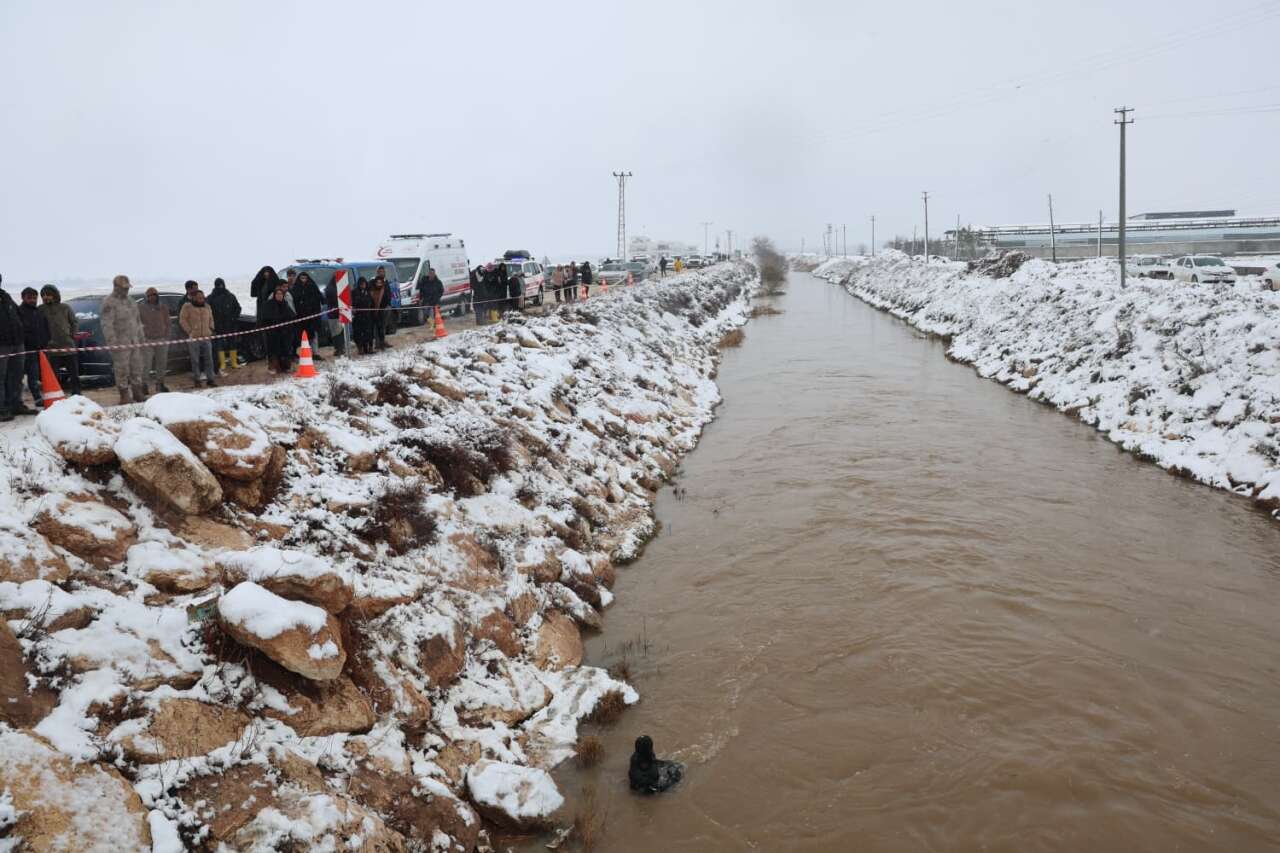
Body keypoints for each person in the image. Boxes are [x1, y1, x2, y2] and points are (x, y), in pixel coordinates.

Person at [100, 274, 147, 404]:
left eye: (127, 288)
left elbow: (137, 321)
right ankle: (124, 395)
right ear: (116, 287)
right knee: (122, 370)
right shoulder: (109, 302)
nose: (126, 290)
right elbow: (107, 325)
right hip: (120, 343)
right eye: (124, 288)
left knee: (136, 367)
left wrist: (141, 337)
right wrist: (112, 343)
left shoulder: (130, 301)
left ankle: (137, 392)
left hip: (134, 341)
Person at [39, 285, 80, 397]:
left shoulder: (65, 307)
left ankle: (77, 393)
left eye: (48, 294)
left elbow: (74, 322)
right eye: (43, 295)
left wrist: (72, 334)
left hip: (68, 345)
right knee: (53, 375)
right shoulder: (41, 309)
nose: (46, 297)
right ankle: (56, 395)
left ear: (55, 295)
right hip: (51, 347)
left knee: (74, 373)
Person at [17, 288, 50, 409]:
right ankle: (36, 398)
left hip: (41, 349)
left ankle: (40, 397)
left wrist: (46, 342)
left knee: (37, 375)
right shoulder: (19, 312)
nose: (33, 300)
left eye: (35, 297)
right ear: (23, 298)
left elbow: (46, 328)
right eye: (29, 298)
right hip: (27, 350)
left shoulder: (39, 312)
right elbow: (21, 332)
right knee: (30, 376)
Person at [0, 276, 26, 421]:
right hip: (1, 345)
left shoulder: (5, 296)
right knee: (1, 377)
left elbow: (19, 314)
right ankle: (1, 408)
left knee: (17, 375)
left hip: (17, 342)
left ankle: (15, 404)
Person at [179, 289, 216, 388]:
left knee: (209, 359)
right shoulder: (187, 307)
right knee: (195, 360)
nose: (201, 299)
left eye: (202, 298)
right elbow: (182, 320)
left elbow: (211, 318)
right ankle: (197, 379)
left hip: (206, 336)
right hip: (194, 338)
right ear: (194, 298)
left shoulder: (207, 306)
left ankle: (210, 379)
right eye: (199, 298)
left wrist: (211, 328)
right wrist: (190, 331)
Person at [138, 287, 172, 394]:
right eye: (150, 296)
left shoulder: (163, 307)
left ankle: (160, 384)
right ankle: (143, 385)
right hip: (147, 340)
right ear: (147, 297)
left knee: (161, 363)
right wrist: (141, 337)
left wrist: (166, 336)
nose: (152, 297)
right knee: (146, 364)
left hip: (161, 339)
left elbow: (168, 322)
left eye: (154, 295)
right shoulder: (141, 308)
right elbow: (137, 323)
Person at [208, 277, 243, 372]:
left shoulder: (230, 296)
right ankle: (222, 364)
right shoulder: (211, 298)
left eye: (221, 284)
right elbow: (207, 312)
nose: (220, 286)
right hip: (218, 326)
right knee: (219, 345)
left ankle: (234, 362)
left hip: (230, 325)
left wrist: (234, 318)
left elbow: (238, 308)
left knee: (233, 343)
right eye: (218, 285)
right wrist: (212, 322)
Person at [260, 285, 297, 372]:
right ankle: (273, 367)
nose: (279, 295)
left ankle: (286, 367)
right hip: (272, 333)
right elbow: (264, 319)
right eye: (277, 294)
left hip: (284, 333)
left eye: (281, 294)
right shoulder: (268, 305)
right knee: (273, 351)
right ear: (274, 295)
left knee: (285, 349)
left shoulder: (285, 304)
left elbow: (291, 317)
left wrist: (288, 328)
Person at [292, 271, 324, 361]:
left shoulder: (312, 286)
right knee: (303, 336)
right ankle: (305, 353)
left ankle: (315, 353)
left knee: (313, 335)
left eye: (305, 278)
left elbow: (319, 298)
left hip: (312, 316)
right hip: (301, 317)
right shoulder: (296, 288)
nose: (303, 280)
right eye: (302, 278)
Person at [250, 265, 281, 355]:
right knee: (264, 332)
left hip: (272, 310)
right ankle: (267, 352)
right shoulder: (261, 282)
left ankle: (274, 352)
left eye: (268, 272)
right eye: (265, 272)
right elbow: (253, 292)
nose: (266, 274)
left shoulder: (275, 282)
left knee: (273, 333)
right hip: (262, 311)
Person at [323, 273, 346, 357]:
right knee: (337, 332)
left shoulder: (332, 287)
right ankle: (339, 348)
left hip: (335, 312)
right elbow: (335, 300)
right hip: (334, 313)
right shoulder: (332, 288)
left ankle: (339, 348)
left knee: (337, 331)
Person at [351, 277, 375, 354]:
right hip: (358, 316)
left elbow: (371, 302)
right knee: (358, 333)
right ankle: (360, 348)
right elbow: (352, 303)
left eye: (364, 284)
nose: (363, 286)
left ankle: (369, 347)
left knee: (368, 333)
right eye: (361, 284)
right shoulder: (354, 292)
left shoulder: (368, 292)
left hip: (367, 316)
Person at [369, 268, 391, 349]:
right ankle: (378, 343)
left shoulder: (386, 281)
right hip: (377, 308)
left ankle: (382, 341)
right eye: (380, 272)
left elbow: (388, 293)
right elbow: (372, 294)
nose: (382, 273)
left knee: (383, 326)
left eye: (383, 271)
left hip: (386, 307)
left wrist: (389, 303)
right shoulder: (373, 281)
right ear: (377, 272)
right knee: (378, 326)